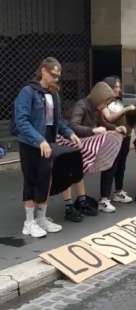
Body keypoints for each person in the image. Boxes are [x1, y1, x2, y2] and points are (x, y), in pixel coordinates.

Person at [14, 57, 81, 237]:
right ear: (43, 70)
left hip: (47, 144)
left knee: (46, 180)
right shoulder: (27, 92)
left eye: (58, 76)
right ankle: (28, 222)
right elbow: (21, 121)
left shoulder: (53, 94)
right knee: (31, 181)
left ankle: (41, 218)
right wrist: (39, 140)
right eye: (53, 75)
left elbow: (57, 122)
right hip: (30, 144)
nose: (56, 78)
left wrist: (70, 133)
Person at [68, 81, 124, 213]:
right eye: (104, 102)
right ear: (98, 98)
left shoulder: (95, 107)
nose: (105, 106)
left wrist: (116, 128)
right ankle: (72, 203)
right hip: (74, 141)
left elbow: (102, 122)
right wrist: (92, 130)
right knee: (75, 172)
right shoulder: (81, 105)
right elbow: (73, 126)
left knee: (78, 172)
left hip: (85, 141)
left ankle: (81, 199)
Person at [101, 76, 136, 204]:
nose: (118, 89)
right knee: (110, 166)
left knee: (121, 165)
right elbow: (109, 118)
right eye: (115, 86)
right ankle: (104, 198)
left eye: (119, 86)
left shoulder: (119, 101)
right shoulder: (103, 103)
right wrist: (126, 109)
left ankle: (118, 191)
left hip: (125, 137)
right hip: (112, 138)